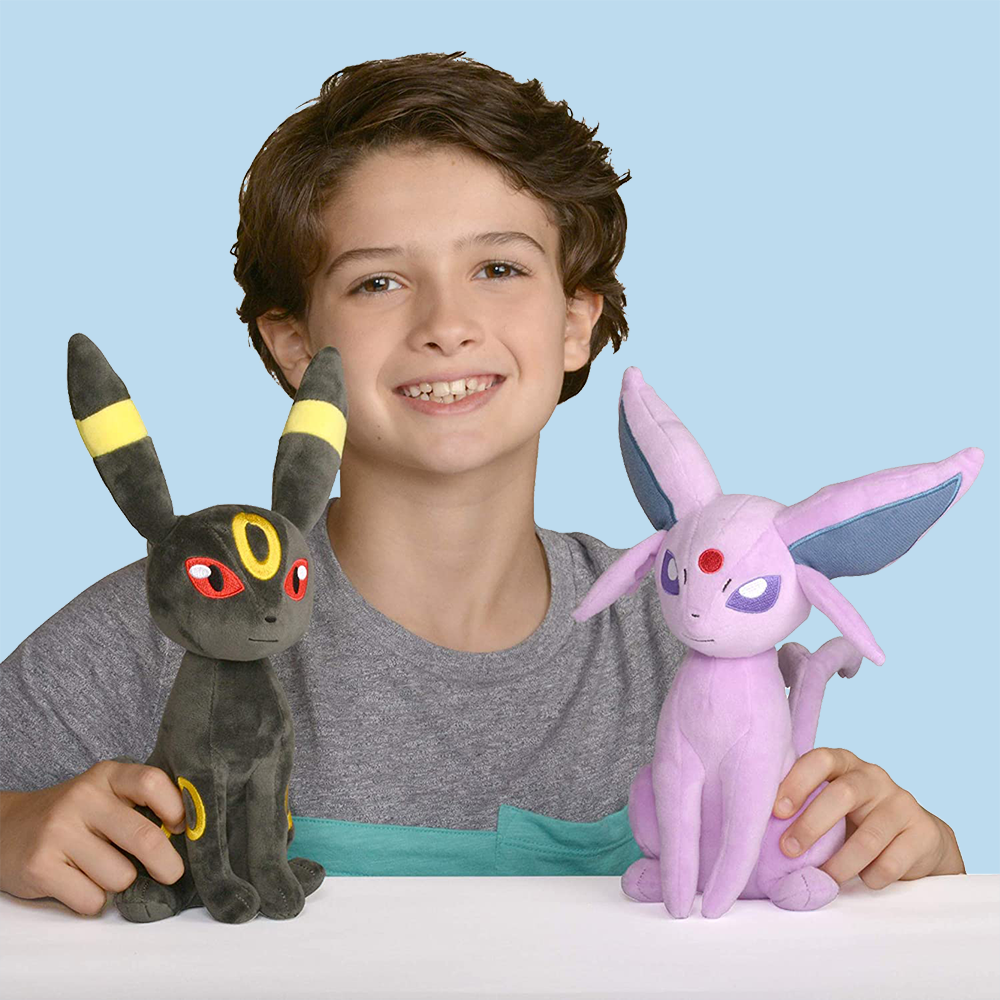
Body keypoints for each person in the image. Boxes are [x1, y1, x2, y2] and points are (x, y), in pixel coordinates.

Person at [0, 52, 964, 916]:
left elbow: (852, 913)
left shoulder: (686, 629)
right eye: (379, 282)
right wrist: (8, 833)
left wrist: (918, 866)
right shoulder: (171, 617)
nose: (446, 325)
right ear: (295, 346)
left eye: (498, 268)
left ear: (576, 322)